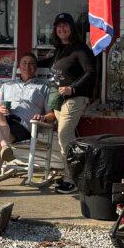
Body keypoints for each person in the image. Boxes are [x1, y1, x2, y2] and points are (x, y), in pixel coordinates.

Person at [38, 12, 96, 193]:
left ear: (72, 28)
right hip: (58, 98)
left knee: (64, 135)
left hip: (75, 97)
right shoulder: (59, 50)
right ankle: (70, 176)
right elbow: (48, 62)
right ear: (55, 29)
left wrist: (73, 88)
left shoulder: (80, 48)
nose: (62, 28)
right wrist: (29, 61)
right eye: (59, 26)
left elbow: (91, 71)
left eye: (65, 25)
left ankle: (73, 180)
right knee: (66, 140)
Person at [0, 52, 49, 196]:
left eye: (31, 63)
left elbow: (53, 114)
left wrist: (43, 117)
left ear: (36, 67)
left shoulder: (44, 88)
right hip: (4, 120)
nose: (27, 66)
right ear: (19, 67)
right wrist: (1, 108)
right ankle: (5, 147)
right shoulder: (8, 85)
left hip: (24, 125)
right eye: (24, 63)